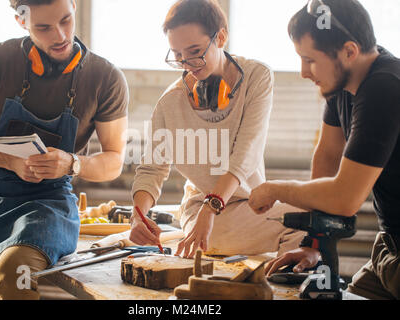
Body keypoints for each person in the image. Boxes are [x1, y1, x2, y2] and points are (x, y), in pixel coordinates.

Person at [0, 0, 128, 300]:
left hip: (49, 203)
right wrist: (10, 161)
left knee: (13, 271)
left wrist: (72, 163)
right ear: (22, 21)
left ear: (74, 6)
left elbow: (114, 161)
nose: (59, 35)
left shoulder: (105, 78)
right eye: (43, 27)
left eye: (66, 20)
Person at [129, 0, 305, 259]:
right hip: (202, 212)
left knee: (314, 215)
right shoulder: (171, 102)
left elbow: (245, 154)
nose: (188, 63)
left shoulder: (258, 77)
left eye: (195, 51)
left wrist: (212, 208)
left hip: (249, 204)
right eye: (178, 55)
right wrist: (138, 216)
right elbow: (152, 169)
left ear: (221, 37)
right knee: (303, 227)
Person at [248, 0, 399, 300]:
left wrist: (275, 189)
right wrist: (314, 243)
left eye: (310, 60)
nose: (304, 72)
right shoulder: (341, 85)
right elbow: (328, 157)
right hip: (389, 247)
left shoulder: (385, 87)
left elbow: (345, 198)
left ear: (349, 51)